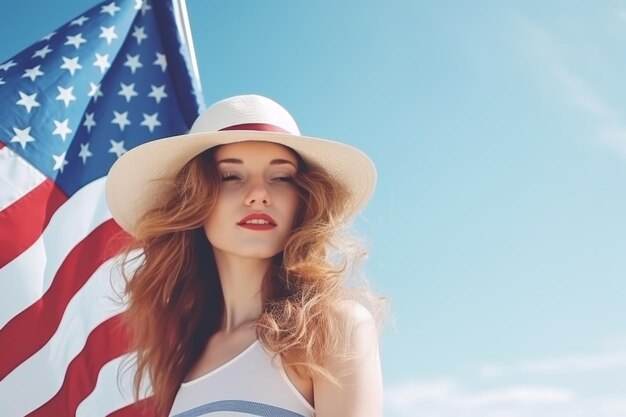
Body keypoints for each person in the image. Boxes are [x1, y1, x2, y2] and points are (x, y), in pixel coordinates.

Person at [106, 94, 385, 417]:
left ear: (302, 200)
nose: (258, 195)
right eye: (231, 176)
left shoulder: (331, 328)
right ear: (195, 200)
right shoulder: (182, 359)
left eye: (281, 177)